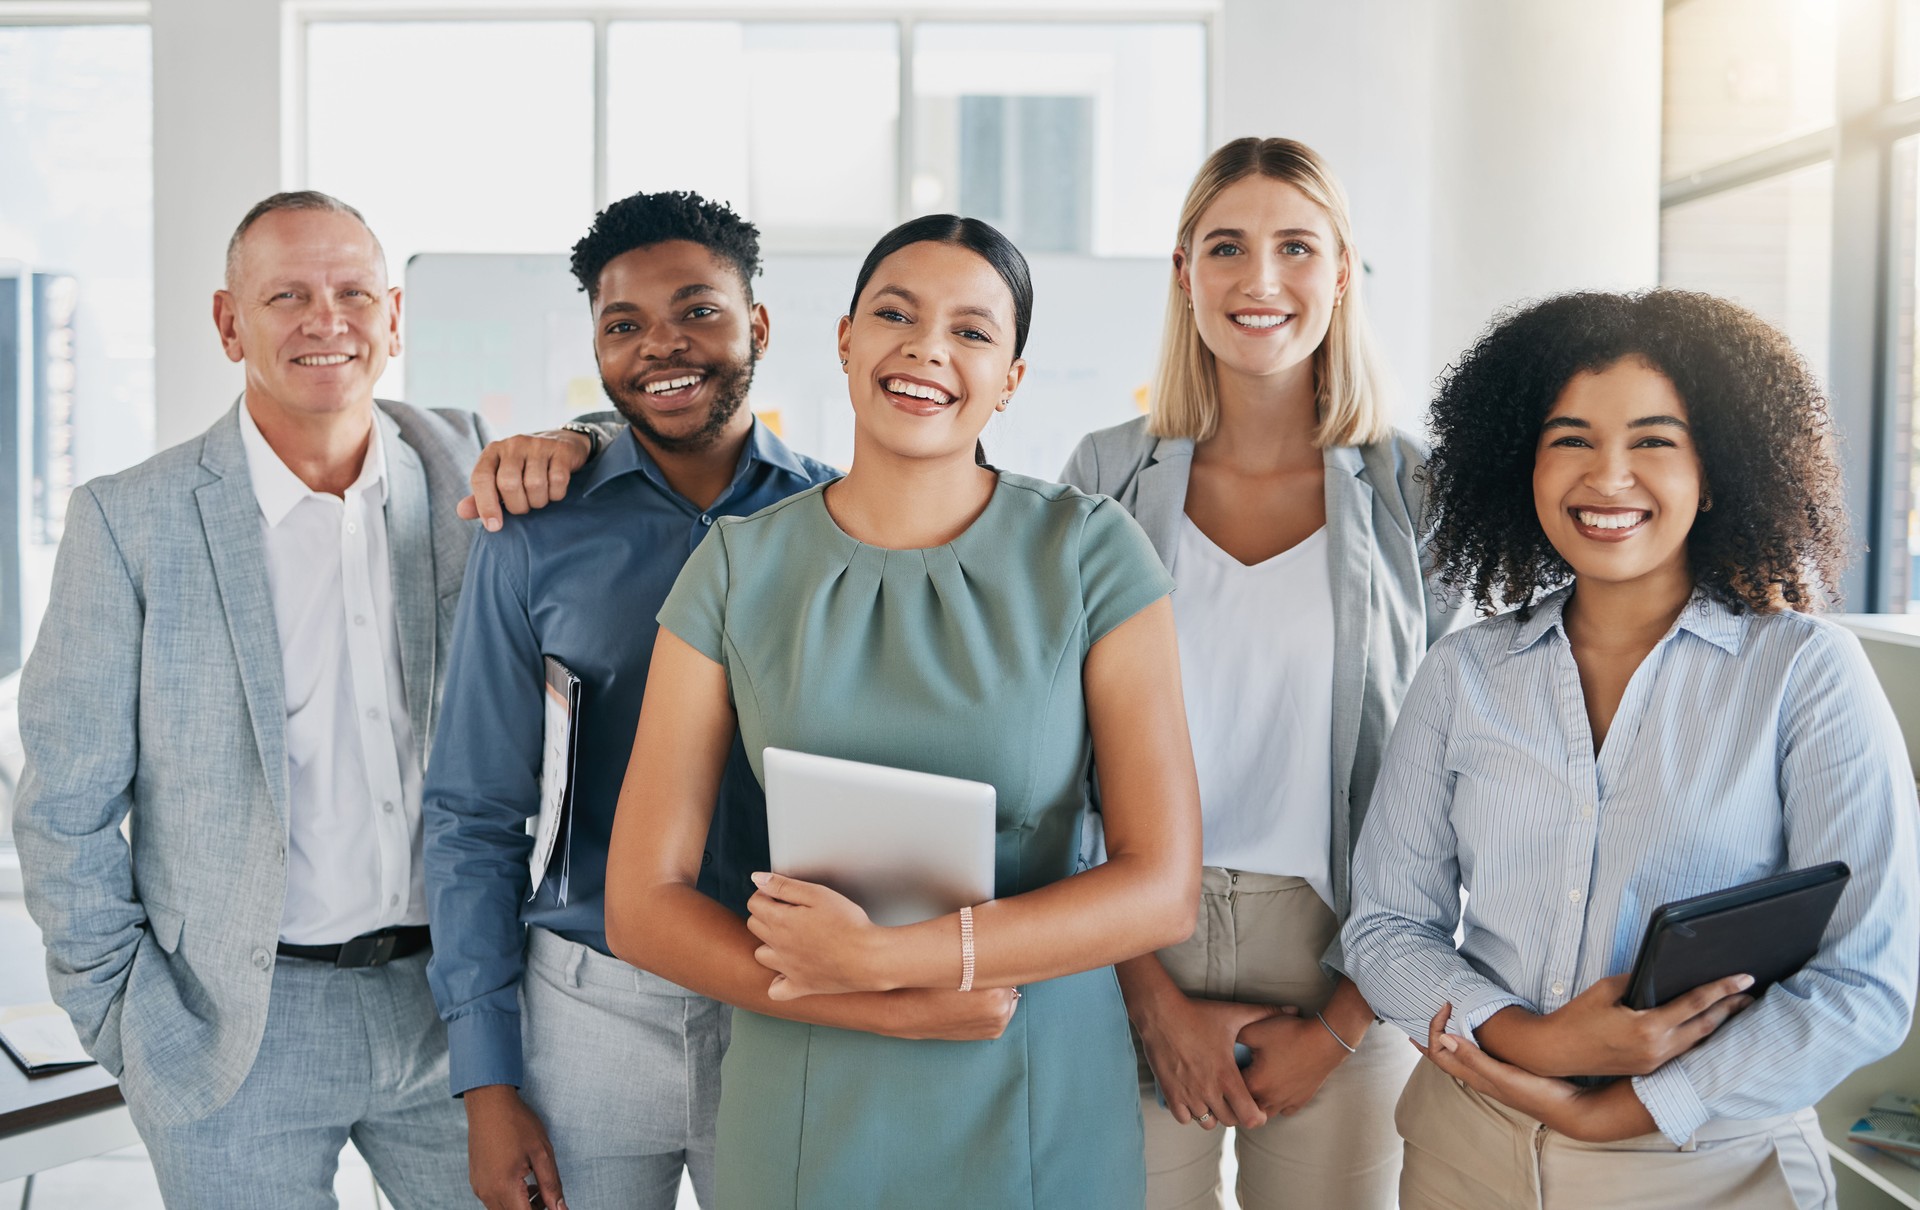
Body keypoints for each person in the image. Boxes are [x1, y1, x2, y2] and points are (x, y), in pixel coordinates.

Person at [601, 213, 1202, 1208]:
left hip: (1033, 1074)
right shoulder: (735, 569)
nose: (929, 347)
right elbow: (642, 902)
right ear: (845, 340)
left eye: (973, 331)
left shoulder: (1093, 555)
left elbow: (1161, 886)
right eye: (896, 313)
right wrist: (874, 1002)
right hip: (806, 1086)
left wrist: (895, 960)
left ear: (1011, 378)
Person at [1342, 290, 1919, 1210]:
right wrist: (1536, 1043)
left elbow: (1864, 983)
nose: (1607, 477)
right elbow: (1384, 927)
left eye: (1654, 440)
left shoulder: (1806, 672)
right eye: (1570, 439)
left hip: (1714, 1171)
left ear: (1716, 466)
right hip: (1466, 1154)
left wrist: (1632, 1105)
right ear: (1520, 464)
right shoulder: (1462, 673)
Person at [11, 191, 498, 1209]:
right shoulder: (127, 522)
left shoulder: (470, 472)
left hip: (456, 1012)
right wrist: (136, 1026)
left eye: (354, 292)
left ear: (395, 315)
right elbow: (65, 811)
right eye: (288, 296)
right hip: (237, 1031)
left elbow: (620, 441)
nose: (328, 320)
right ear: (231, 322)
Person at [422, 190, 838, 1210]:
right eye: (625, 325)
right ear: (598, 348)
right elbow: (471, 814)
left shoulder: (843, 524)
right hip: (586, 1011)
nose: (664, 346)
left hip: (788, 1000)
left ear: (760, 327)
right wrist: (487, 1080)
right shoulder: (530, 536)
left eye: (698, 311)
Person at [1059, 136, 1442, 1209]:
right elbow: (1052, 754)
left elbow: (1463, 772)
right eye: (1226, 246)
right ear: (1184, 273)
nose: (1260, 280)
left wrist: (1344, 1019)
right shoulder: (1102, 476)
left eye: (1296, 248)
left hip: (1343, 951)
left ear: (1343, 271)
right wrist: (1147, 998)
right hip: (1135, 941)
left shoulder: (1420, 494)